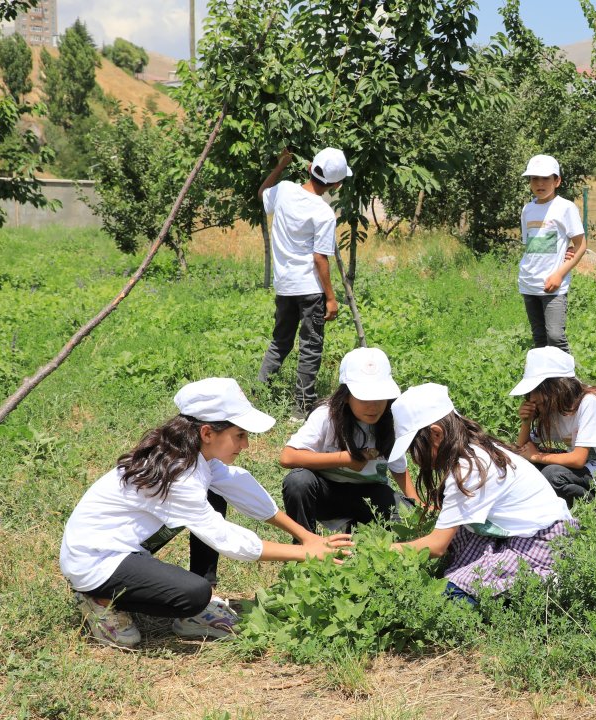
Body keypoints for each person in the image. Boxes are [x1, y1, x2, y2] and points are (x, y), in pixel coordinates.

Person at [59, 378, 352, 650]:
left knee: (213, 493)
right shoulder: (179, 476)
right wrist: (308, 553)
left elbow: (239, 487)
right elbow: (227, 540)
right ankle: (99, 598)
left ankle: (193, 603)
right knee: (193, 594)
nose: (246, 444)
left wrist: (305, 536)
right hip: (95, 561)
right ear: (207, 432)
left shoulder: (190, 452)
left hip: (124, 545)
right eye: (239, 435)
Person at [387, 383, 574, 602]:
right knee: (457, 544)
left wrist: (383, 550)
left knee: (452, 595)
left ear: (436, 434)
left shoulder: (468, 469)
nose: (415, 458)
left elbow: (437, 546)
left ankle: (547, 580)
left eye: (414, 449)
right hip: (520, 530)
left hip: (543, 541)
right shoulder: (473, 449)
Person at [279, 347, 419, 534]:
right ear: (346, 396)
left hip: (369, 494)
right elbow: (288, 457)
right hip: (326, 492)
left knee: (405, 516)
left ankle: (354, 528)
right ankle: (304, 544)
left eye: (380, 398)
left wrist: (417, 507)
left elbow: (398, 468)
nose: (373, 406)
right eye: (364, 398)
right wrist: (347, 459)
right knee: (298, 481)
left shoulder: (389, 421)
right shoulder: (326, 416)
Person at [257, 147, 351, 420]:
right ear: (336, 183)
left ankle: (260, 393)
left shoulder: (284, 189)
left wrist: (280, 164)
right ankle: (302, 409)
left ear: (310, 168)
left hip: (285, 285)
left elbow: (263, 194)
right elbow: (319, 259)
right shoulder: (323, 213)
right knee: (310, 347)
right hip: (310, 289)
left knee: (280, 342)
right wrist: (331, 298)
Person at [509, 347, 596, 505]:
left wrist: (536, 455)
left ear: (557, 386)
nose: (532, 397)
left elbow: (578, 459)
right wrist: (527, 422)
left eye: (537, 389)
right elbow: (522, 452)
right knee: (530, 467)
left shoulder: (590, 402)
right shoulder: (556, 409)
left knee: (553, 475)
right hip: (590, 472)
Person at [518, 154, 587, 353]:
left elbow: (581, 245)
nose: (539, 183)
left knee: (556, 337)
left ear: (557, 181)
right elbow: (533, 245)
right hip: (529, 282)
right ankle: (546, 383)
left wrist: (559, 273)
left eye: (546, 178)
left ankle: (570, 383)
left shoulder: (565, 207)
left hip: (553, 285)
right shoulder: (527, 210)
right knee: (539, 339)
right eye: (534, 178)